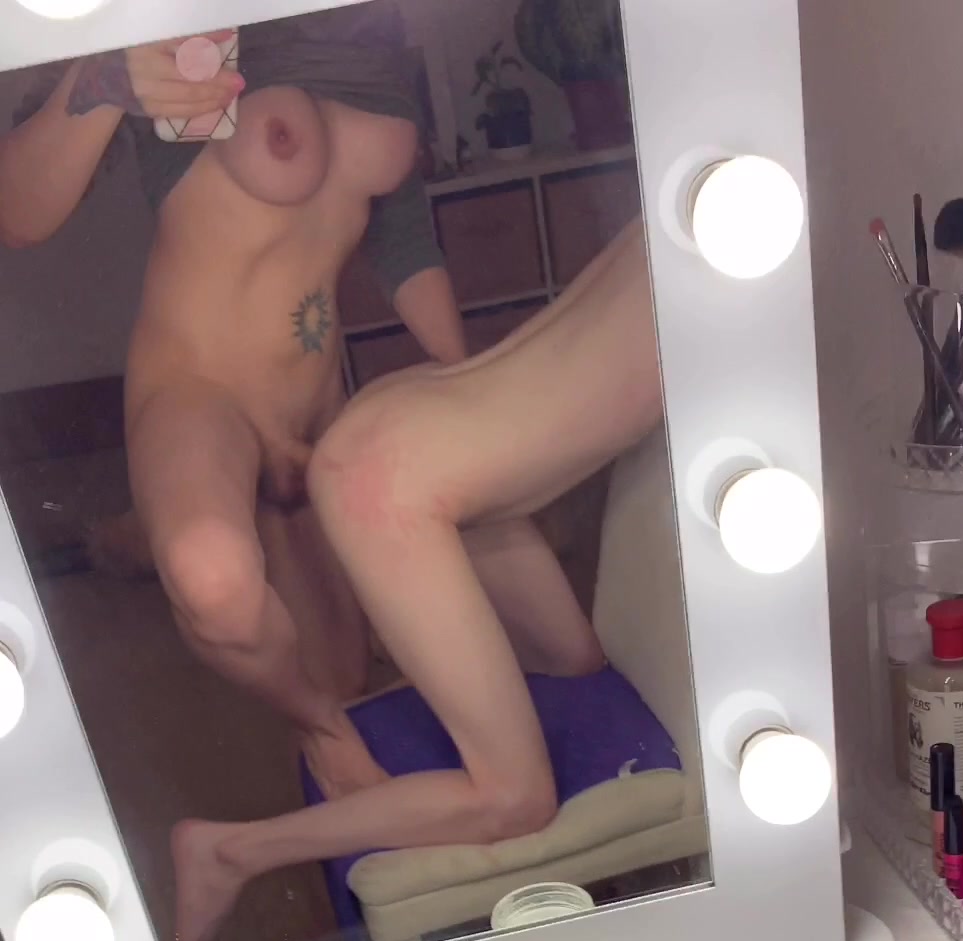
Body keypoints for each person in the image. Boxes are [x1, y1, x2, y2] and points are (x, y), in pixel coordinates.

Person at [0, 5, 588, 800]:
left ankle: (143, 542)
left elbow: (400, 235)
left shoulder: (373, 30)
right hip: (200, 400)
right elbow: (18, 213)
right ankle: (319, 727)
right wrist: (105, 79)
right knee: (216, 584)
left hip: (323, 415)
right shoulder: (181, 31)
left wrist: (466, 384)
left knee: (412, 667)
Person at [170, 217, 661, 941]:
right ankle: (233, 851)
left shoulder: (685, 209)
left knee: (574, 665)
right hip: (396, 483)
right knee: (517, 800)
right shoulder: (738, 231)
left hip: (419, 425)